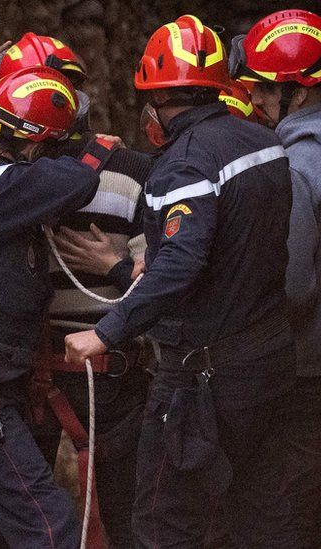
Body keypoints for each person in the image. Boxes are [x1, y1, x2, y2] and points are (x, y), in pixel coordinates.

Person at [65, 14, 299, 548]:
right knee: (250, 509)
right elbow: (237, 242)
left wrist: (106, 331)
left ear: (159, 102)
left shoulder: (184, 164)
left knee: (162, 518)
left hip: (205, 374)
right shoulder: (261, 140)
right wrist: (140, 266)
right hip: (269, 354)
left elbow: (183, 262)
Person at [0, 35, 152, 548]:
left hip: (48, 374)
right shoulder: (112, 172)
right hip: (37, 373)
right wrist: (116, 269)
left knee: (15, 521)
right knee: (55, 522)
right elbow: (160, 279)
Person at [230, 9, 321, 547]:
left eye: (264, 90)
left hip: (317, 367)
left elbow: (291, 288)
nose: (256, 101)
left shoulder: (297, 167)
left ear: (300, 93)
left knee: (273, 515)